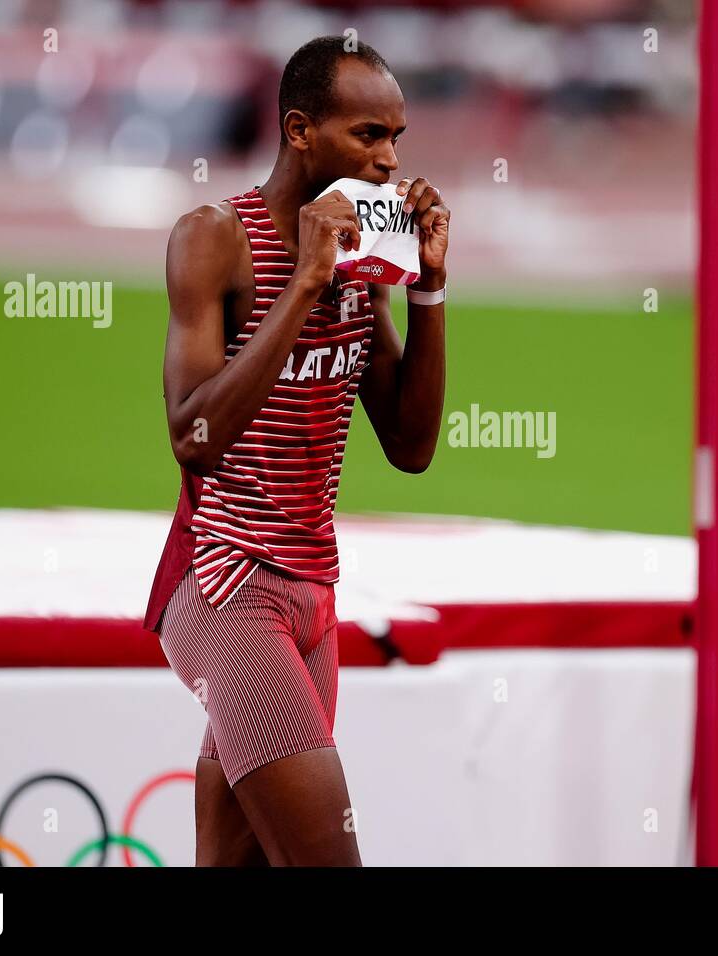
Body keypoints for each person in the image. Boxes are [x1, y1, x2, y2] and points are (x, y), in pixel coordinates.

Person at [141, 36, 449, 866]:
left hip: (313, 595)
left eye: (396, 138)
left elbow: (412, 447)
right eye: (368, 135)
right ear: (301, 130)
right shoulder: (215, 238)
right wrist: (306, 280)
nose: (390, 161)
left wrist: (427, 290)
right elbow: (193, 436)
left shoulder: (359, 262)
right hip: (225, 586)